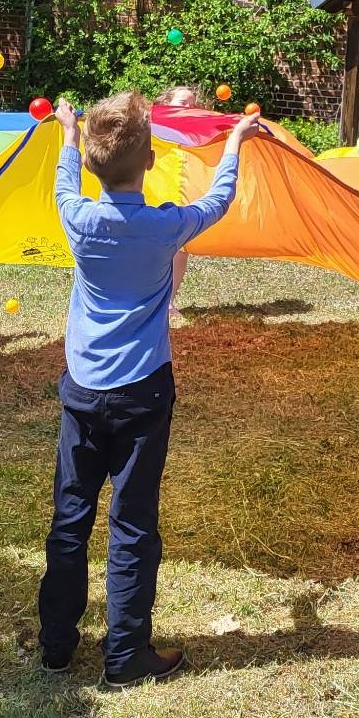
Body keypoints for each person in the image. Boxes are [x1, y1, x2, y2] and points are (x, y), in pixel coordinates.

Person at [38, 91, 259, 687]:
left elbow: (64, 178)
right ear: (152, 162)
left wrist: (65, 131)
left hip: (82, 390)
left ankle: (56, 645)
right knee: (132, 524)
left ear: (91, 164)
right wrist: (235, 142)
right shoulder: (166, 226)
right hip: (141, 393)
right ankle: (126, 654)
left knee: (70, 518)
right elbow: (218, 201)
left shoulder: (78, 218)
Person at [156, 85, 202, 324]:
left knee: (181, 249)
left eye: (192, 104)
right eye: (184, 102)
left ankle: (169, 302)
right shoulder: (153, 123)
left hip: (181, 193)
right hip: (154, 192)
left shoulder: (197, 130)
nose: (189, 107)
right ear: (167, 103)